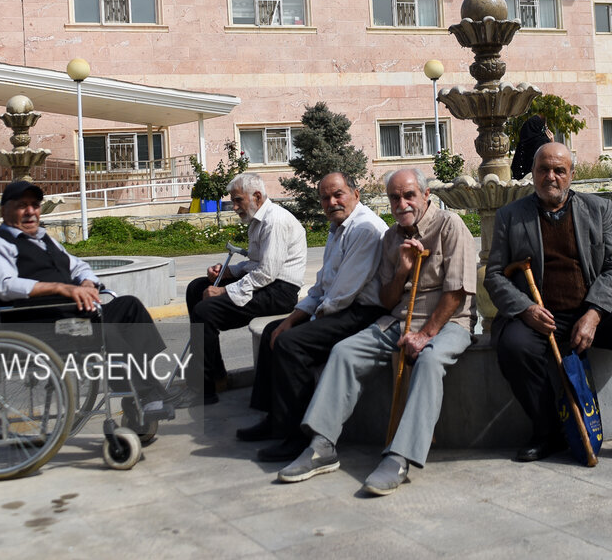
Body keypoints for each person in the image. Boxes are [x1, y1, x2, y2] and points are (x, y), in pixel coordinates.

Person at [277, 167, 476, 496]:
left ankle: (400, 456)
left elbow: (456, 294)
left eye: (409, 195)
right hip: (398, 320)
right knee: (344, 351)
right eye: (394, 198)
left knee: (428, 361)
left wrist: (425, 335)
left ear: (426, 195)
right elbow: (387, 300)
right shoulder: (391, 238)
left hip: (448, 322)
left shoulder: (449, 225)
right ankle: (321, 445)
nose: (402, 203)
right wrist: (402, 271)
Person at [485, 142, 612, 464]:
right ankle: (549, 432)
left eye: (559, 170)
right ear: (533, 173)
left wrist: (595, 313)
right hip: (541, 315)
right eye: (543, 169)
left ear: (572, 174)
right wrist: (526, 309)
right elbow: (494, 275)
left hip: (589, 309)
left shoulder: (598, 210)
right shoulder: (510, 216)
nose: (551, 177)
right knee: (514, 347)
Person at [0, 179, 174, 418]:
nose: (30, 211)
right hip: (37, 323)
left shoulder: (44, 238)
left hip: (70, 315)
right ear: (4, 209)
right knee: (105, 329)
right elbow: (6, 285)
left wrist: (87, 283)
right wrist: (62, 288)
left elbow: (79, 266)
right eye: (22, 205)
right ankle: (142, 393)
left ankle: (141, 388)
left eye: (35, 205)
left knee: (130, 307)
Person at [236, 172, 388, 462]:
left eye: (338, 194)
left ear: (355, 194)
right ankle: (275, 420)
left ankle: (298, 437)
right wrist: (291, 320)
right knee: (272, 332)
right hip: (339, 305)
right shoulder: (338, 228)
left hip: (362, 311)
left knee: (291, 344)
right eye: (325, 198)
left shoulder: (365, 229)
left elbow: (343, 293)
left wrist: (307, 324)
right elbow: (321, 286)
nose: (332, 202)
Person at [185, 172, 306, 404]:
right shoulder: (258, 220)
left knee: (204, 312)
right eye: (233, 201)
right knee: (196, 288)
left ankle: (206, 387)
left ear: (257, 196)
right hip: (265, 283)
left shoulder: (275, 221)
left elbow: (267, 273)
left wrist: (224, 291)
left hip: (279, 292)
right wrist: (228, 272)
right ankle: (217, 375)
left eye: (238, 200)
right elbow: (255, 263)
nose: (234, 207)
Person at [510, 114, 552, 180]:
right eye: (545, 128)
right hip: (540, 180)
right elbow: (552, 160)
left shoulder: (522, 144)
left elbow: (515, 166)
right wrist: (552, 143)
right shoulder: (543, 142)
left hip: (522, 180)